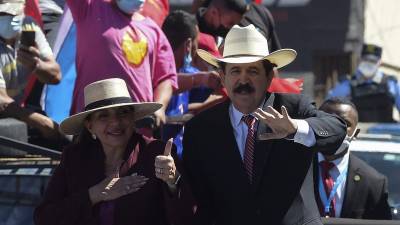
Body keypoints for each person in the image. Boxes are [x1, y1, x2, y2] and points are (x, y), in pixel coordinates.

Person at [182, 24, 346, 225]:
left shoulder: (293, 109)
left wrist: (295, 129)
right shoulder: (201, 129)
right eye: (235, 71)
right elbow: (197, 197)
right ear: (223, 78)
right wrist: (172, 180)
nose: (243, 80)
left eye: (252, 71)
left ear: (269, 77)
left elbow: (337, 129)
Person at [34, 78, 193, 225]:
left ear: (133, 118)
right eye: (104, 116)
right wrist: (94, 195)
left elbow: (186, 216)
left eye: (123, 113)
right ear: (90, 126)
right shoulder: (74, 158)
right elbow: (44, 218)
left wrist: (173, 181)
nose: (115, 122)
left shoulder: (157, 153)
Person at [66, 0, 177, 130]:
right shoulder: (89, 8)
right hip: (93, 125)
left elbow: (166, 78)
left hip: (138, 127)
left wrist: (160, 108)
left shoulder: (154, 30)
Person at [314, 97, 392, 219]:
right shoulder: (294, 169)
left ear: (355, 133)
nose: (334, 128)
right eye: (327, 121)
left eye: (344, 123)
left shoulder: (373, 182)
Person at [161, 10, 222, 156]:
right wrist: (199, 79)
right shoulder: (154, 72)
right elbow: (167, 82)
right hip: (157, 163)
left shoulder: (191, 71)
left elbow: (212, 92)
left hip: (181, 162)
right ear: (189, 44)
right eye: (196, 43)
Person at [0, 0, 62, 141]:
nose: (5, 18)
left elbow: (55, 75)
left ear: (22, 9)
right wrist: (39, 121)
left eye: (10, 13)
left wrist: (36, 65)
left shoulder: (29, 25)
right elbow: (1, 100)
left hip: (13, 113)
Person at [328, 43, 400, 122]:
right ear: (360, 60)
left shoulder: (391, 84)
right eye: (365, 59)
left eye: (373, 61)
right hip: (358, 132)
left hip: (387, 132)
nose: (369, 63)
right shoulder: (347, 84)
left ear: (380, 62)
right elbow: (328, 110)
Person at [195, 0, 281, 51]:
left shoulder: (260, 14)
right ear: (214, 12)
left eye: (237, 23)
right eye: (230, 23)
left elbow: (274, 64)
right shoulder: (192, 29)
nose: (235, 28)